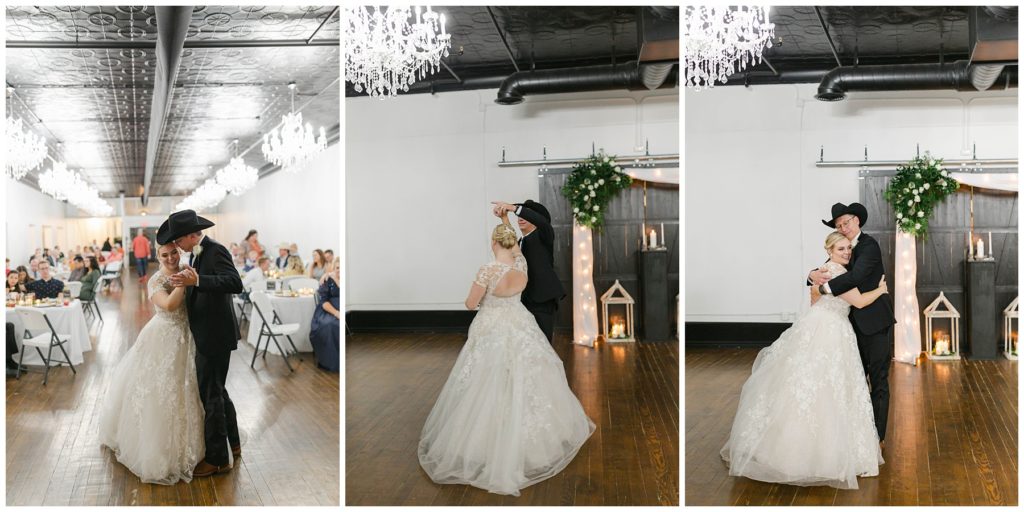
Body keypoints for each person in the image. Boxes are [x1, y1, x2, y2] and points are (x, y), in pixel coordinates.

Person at [418, 212, 595, 496]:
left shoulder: (487, 270)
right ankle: (537, 443)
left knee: (485, 381)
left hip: (493, 327)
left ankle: (484, 446)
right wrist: (506, 224)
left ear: (493, 243)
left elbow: (470, 303)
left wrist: (483, 296)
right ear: (512, 242)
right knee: (525, 377)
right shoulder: (520, 264)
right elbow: (513, 249)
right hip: (520, 322)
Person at [721, 231, 889, 489]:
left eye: (848, 249)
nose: (846, 252)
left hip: (819, 326)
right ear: (830, 250)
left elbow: (815, 300)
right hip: (831, 331)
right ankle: (818, 453)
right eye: (841, 249)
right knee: (826, 388)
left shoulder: (821, 271)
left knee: (807, 385)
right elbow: (860, 302)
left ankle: (790, 447)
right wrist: (881, 290)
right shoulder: (838, 273)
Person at [98, 242, 204, 484]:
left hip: (188, 334)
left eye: (173, 253)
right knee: (159, 390)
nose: (170, 258)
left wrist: (190, 280)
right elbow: (168, 305)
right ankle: (159, 451)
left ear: (180, 252)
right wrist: (184, 283)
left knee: (189, 388)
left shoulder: (188, 269)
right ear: (157, 256)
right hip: (163, 336)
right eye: (164, 255)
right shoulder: (156, 280)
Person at [161, 209, 243, 477]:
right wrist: (190, 280)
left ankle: (217, 459)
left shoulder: (214, 250)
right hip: (209, 333)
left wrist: (198, 280)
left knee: (211, 396)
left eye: (177, 240)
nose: (176, 246)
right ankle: (234, 443)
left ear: (188, 236)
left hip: (215, 335)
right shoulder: (197, 255)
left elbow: (234, 282)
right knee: (218, 391)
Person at [809, 203, 897, 446]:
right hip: (849, 326)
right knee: (854, 380)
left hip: (875, 322)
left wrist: (824, 288)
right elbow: (827, 268)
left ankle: (877, 436)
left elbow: (855, 277)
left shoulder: (868, 246)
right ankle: (854, 430)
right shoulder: (843, 248)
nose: (843, 228)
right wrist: (810, 276)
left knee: (878, 380)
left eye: (846, 222)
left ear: (856, 220)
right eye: (838, 226)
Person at [491, 200, 565, 343]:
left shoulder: (544, 235)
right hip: (524, 299)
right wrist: (504, 218)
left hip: (543, 299)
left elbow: (542, 222)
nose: (521, 217)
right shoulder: (520, 241)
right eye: (519, 215)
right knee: (528, 344)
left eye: (527, 214)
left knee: (544, 343)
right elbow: (510, 240)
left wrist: (513, 208)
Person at [309, 259, 339, 372]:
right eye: (337, 268)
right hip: (329, 309)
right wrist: (336, 313)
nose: (339, 270)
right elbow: (324, 302)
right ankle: (331, 362)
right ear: (334, 268)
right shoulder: (328, 280)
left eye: (342, 268)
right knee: (329, 325)